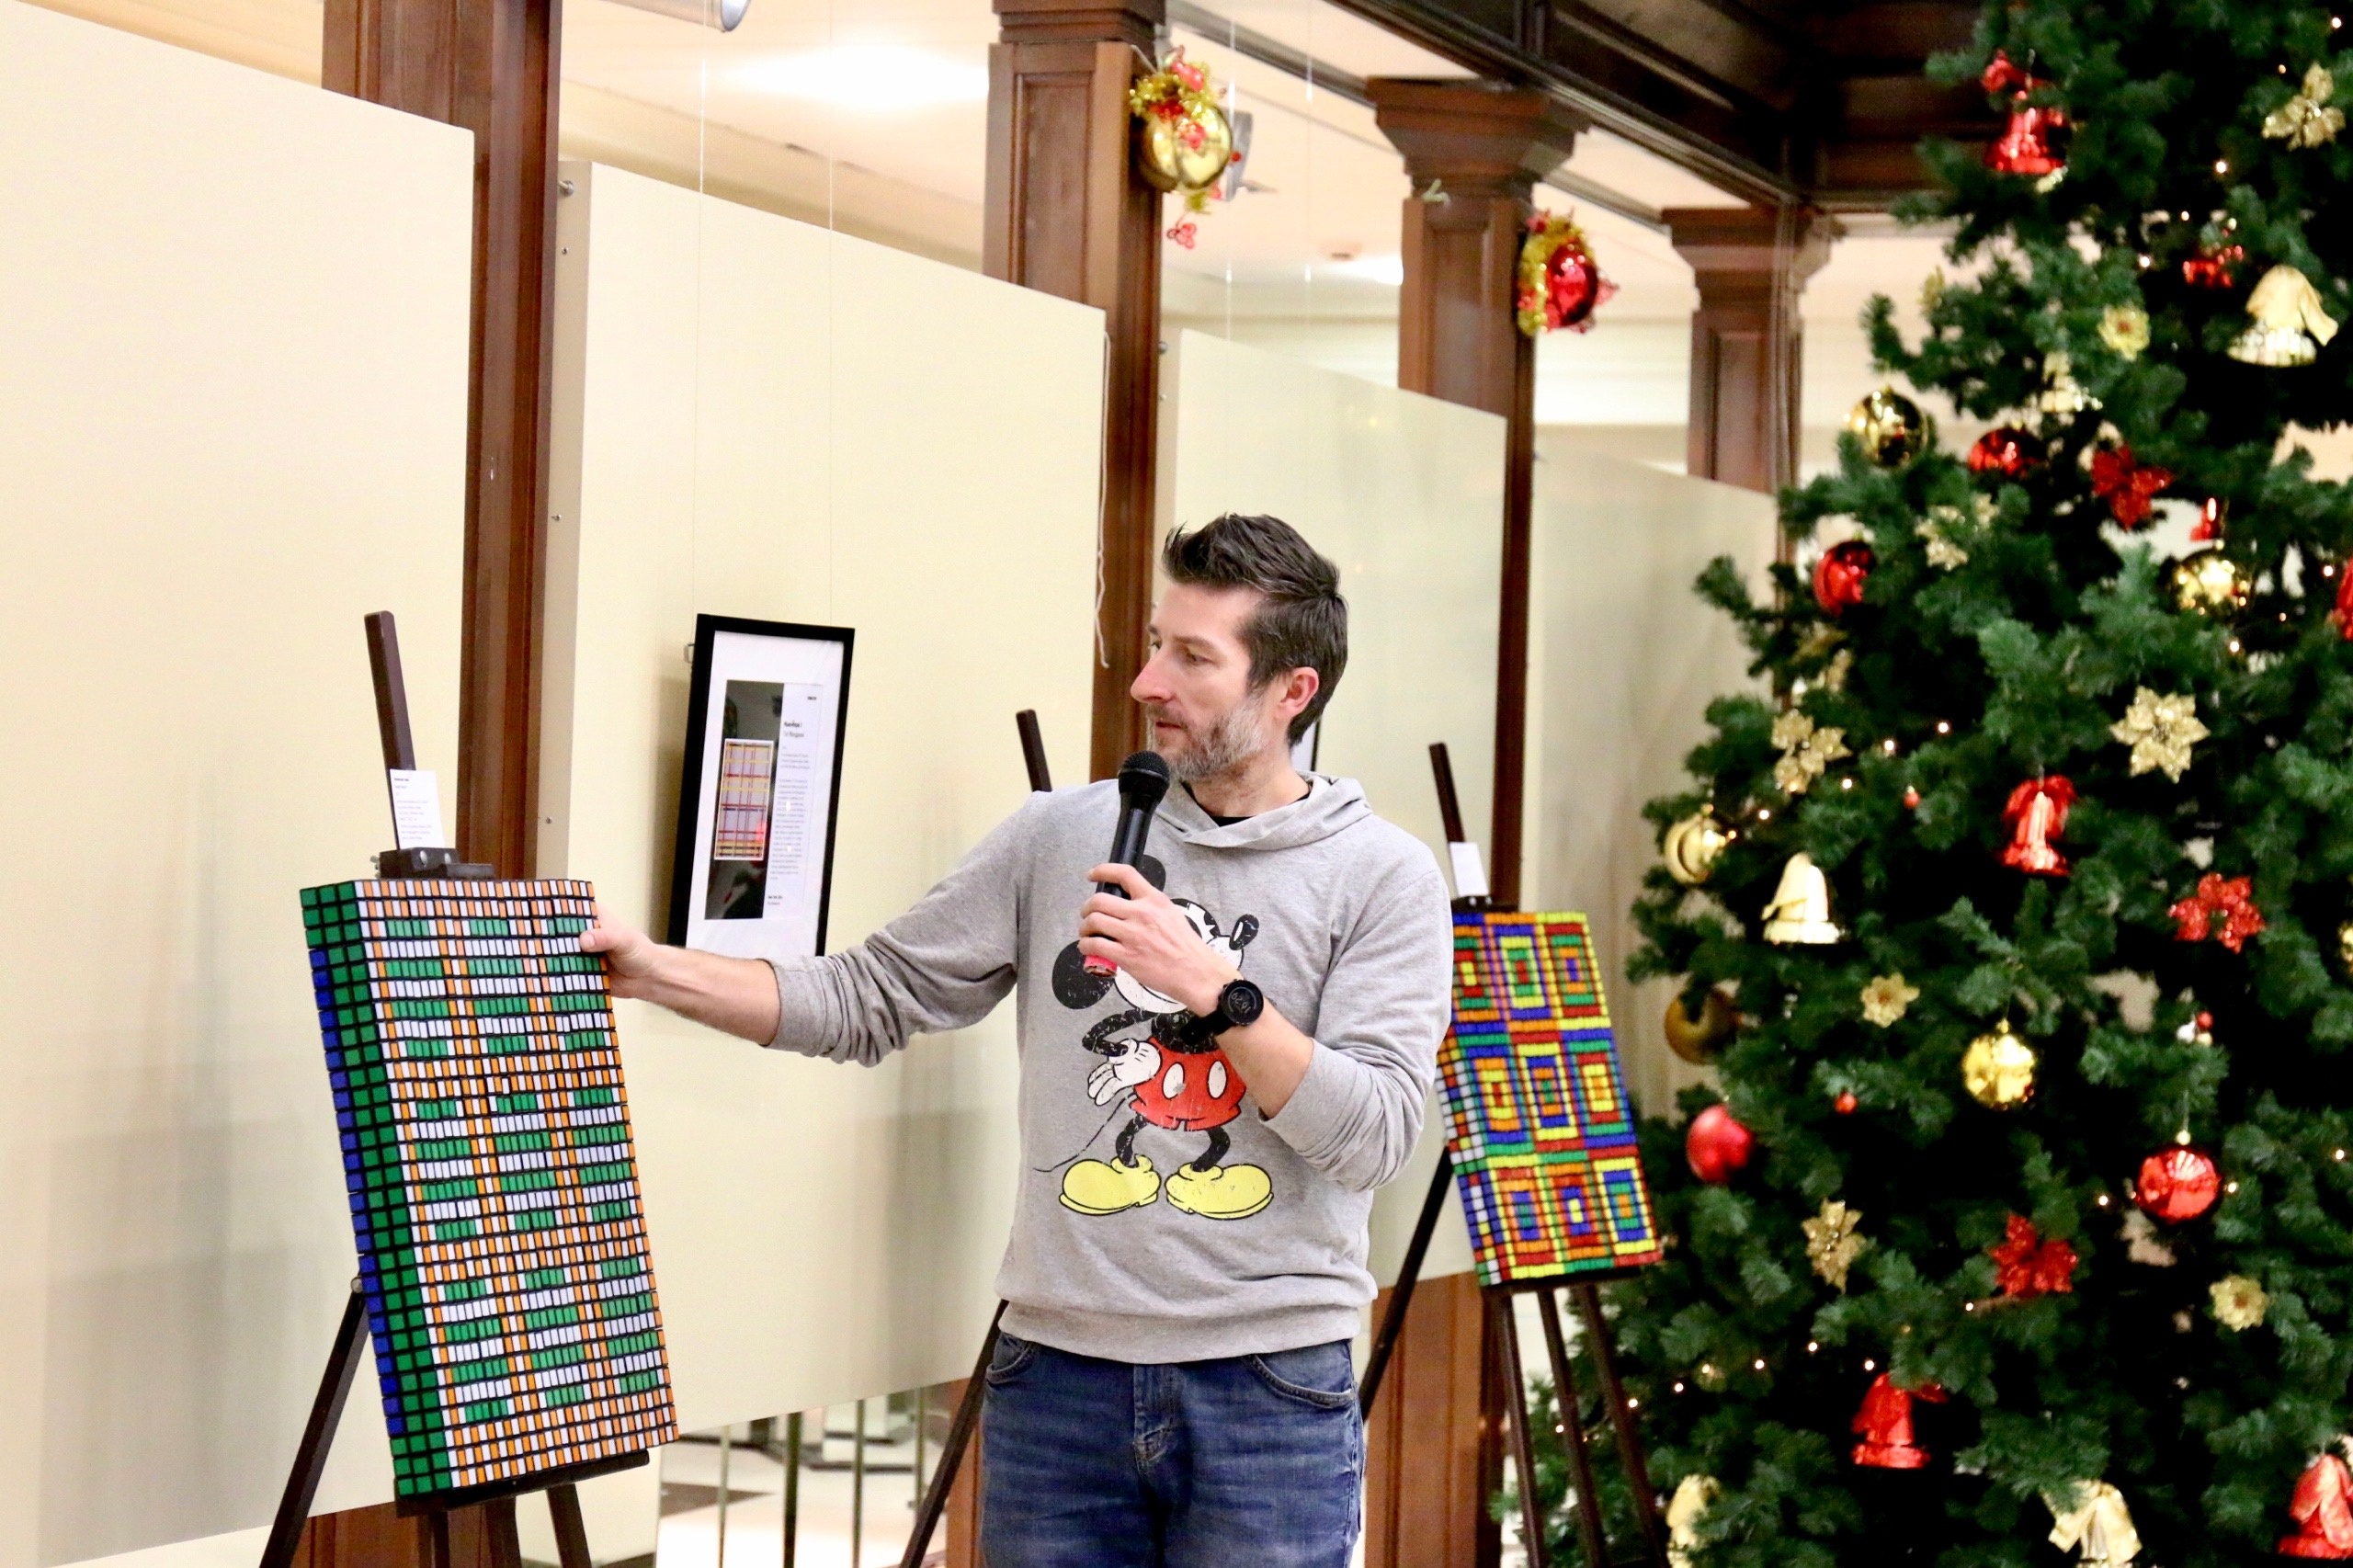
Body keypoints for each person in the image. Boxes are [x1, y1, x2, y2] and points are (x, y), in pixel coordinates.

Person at [584, 512, 1453, 1566]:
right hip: (1056, 1377)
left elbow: (1373, 1137)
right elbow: (868, 994)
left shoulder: (1382, 876)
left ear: (1291, 692)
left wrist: (1213, 990)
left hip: (1266, 1386)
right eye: (1154, 644)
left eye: (1192, 657)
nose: (1148, 682)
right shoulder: (1061, 834)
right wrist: (651, 968)